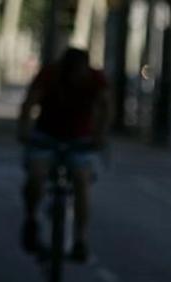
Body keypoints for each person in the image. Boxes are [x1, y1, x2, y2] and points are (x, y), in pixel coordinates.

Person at [18, 48, 110, 262]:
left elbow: (106, 107)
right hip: (47, 135)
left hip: (80, 138)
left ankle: (80, 238)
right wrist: (24, 129)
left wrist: (100, 136)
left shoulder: (96, 80)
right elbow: (30, 102)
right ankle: (31, 218)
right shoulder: (49, 75)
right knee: (36, 175)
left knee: (81, 180)